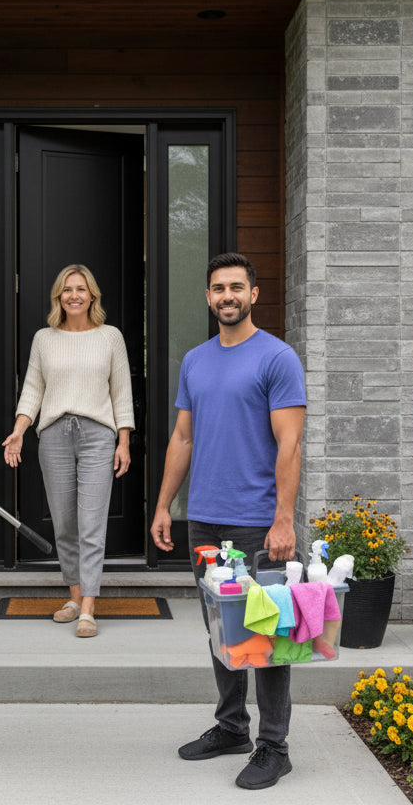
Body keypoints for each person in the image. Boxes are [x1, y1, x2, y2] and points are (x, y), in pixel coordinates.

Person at [149, 252, 306, 791]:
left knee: (267, 637)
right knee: (222, 630)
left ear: (253, 294)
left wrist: (283, 520)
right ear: (208, 297)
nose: (227, 296)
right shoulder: (195, 360)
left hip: (258, 523)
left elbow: (291, 443)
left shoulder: (277, 358)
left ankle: (274, 746)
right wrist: (164, 504)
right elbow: (183, 437)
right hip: (206, 520)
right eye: (218, 288)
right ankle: (231, 727)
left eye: (236, 287)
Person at [1, 263, 134, 638]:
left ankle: (89, 608)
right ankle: (75, 596)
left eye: (81, 288)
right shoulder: (45, 338)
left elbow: (121, 393)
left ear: (92, 295)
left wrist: (123, 441)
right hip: (55, 435)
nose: (74, 295)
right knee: (64, 524)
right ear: (58, 296)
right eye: (66, 289)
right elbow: (32, 390)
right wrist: (18, 430)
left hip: (97, 435)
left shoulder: (111, 337)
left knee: (91, 524)